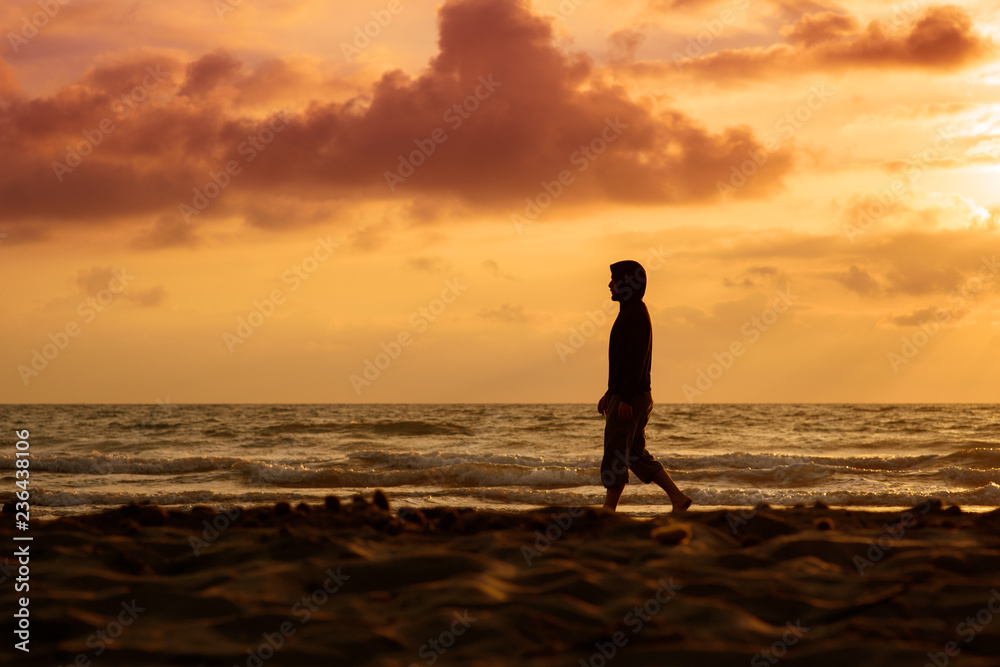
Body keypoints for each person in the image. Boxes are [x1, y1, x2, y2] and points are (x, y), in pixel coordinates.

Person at [598, 260, 692, 512]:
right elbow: (623, 361)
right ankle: (678, 498)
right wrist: (611, 392)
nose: (609, 284)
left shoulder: (636, 313)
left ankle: (608, 510)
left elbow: (636, 360)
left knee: (616, 450)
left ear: (626, 284)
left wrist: (625, 398)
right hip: (629, 394)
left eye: (614, 280)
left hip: (633, 396)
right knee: (635, 454)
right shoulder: (630, 312)